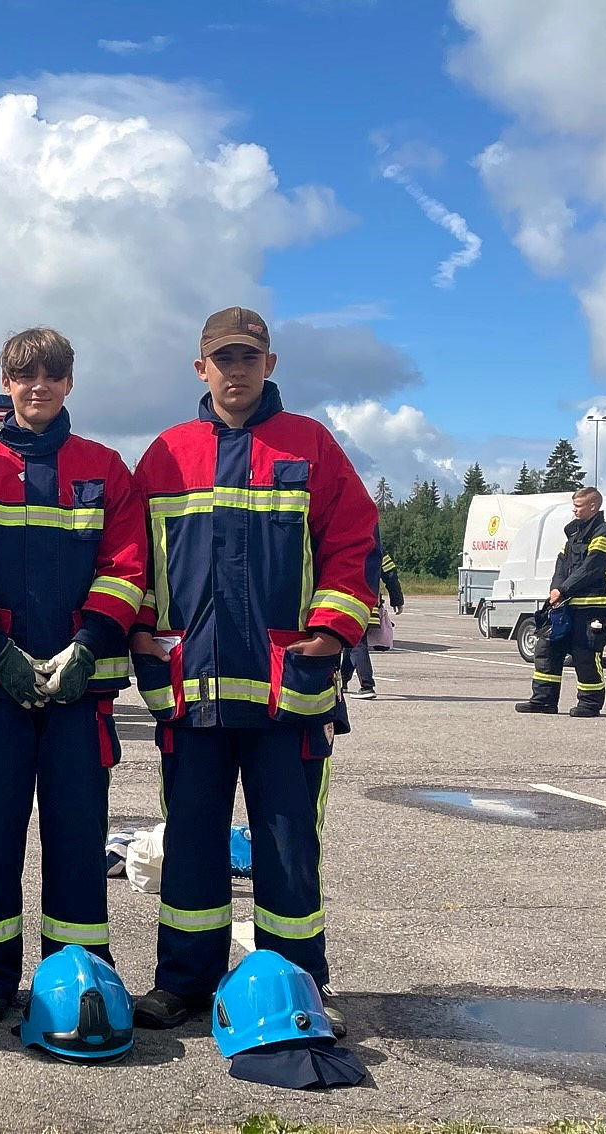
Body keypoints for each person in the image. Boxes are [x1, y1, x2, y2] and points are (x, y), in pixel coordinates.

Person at [127, 307, 377, 1033]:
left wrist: (332, 632)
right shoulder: (166, 454)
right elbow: (132, 556)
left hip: (284, 695)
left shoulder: (310, 447)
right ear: (199, 369)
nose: (235, 370)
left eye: (248, 357)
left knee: (287, 848)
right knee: (191, 849)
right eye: (222, 359)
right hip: (193, 692)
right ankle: (182, 983)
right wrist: (143, 632)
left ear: (269, 364)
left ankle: (296, 981)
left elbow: (354, 543)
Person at [0, 327, 146, 1023]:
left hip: (79, 696)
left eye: (52, 375)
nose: (38, 386)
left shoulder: (105, 468)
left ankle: (77, 972)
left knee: (78, 838)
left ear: (69, 383)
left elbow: (127, 567)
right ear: (6, 382)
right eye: (25, 375)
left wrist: (87, 645)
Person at [516, 486, 606, 718]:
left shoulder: (605, 534)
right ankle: (543, 701)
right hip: (567, 606)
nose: (574, 510)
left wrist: (563, 589)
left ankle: (589, 704)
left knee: (585, 655)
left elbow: (592, 568)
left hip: (595, 605)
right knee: (547, 649)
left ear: (593, 506)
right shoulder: (573, 535)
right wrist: (556, 588)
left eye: (578, 506)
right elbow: (561, 565)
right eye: (573, 505)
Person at [340, 535, 403, 699]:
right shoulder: (377, 549)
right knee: (350, 642)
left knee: (356, 643)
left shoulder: (345, 545)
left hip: (349, 602)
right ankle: (343, 681)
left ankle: (367, 686)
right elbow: (390, 574)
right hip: (370, 605)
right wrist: (397, 599)